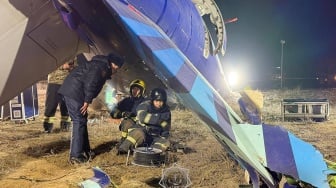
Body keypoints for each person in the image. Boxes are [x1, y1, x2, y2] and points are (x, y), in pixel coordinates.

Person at [58, 53, 124, 164]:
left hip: (75, 91)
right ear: (113, 63)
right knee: (78, 121)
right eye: (117, 66)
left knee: (82, 120)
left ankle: (85, 151)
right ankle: (75, 156)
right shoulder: (100, 67)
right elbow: (91, 83)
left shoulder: (101, 66)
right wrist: (87, 101)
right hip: (74, 92)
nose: (117, 69)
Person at [118, 88, 171, 154]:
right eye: (156, 101)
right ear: (152, 100)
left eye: (161, 101)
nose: (159, 103)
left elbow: (166, 127)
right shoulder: (145, 105)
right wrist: (159, 120)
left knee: (165, 143)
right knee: (138, 133)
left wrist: (164, 137)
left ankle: (150, 155)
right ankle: (123, 149)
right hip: (142, 131)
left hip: (155, 137)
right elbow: (142, 117)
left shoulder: (166, 110)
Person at [43, 60, 75, 133]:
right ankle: (47, 128)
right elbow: (48, 64)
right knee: (50, 106)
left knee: (66, 107)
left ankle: (65, 127)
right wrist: (62, 66)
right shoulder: (54, 51)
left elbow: (75, 66)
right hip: (54, 82)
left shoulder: (72, 53)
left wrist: (72, 68)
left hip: (67, 82)